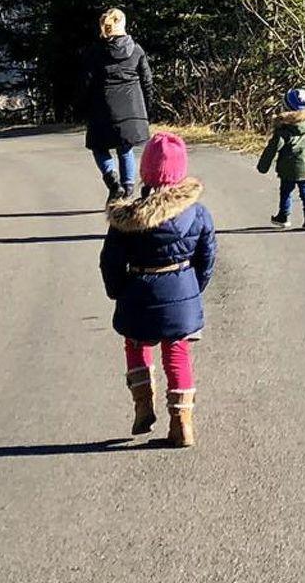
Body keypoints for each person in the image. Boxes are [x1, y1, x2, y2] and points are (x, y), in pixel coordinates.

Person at [99, 131, 215, 448]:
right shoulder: (198, 213)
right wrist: (192, 289)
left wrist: (118, 291)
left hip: (137, 292)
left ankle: (143, 406)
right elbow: (206, 258)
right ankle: (182, 425)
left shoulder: (126, 218)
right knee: (177, 355)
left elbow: (110, 261)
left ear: (145, 172)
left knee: (136, 345)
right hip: (180, 291)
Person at [84, 7, 152, 200]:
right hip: (132, 109)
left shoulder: (96, 52)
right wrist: (146, 109)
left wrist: (82, 107)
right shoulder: (137, 50)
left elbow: (86, 82)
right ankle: (128, 187)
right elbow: (147, 82)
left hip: (102, 108)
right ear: (123, 25)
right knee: (125, 148)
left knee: (98, 147)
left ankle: (112, 179)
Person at [258, 88, 305, 230]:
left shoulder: (284, 128)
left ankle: (283, 216)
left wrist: (263, 166)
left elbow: (273, 147)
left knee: (286, 191)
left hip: (288, 166)